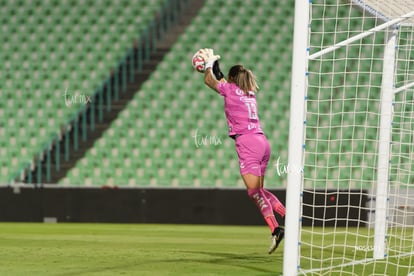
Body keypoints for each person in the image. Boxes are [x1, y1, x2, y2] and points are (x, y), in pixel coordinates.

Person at [198, 49, 286, 254]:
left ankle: (276, 229)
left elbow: (210, 81)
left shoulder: (229, 90)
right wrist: (215, 64)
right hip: (262, 142)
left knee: (254, 192)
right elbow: (220, 79)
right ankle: (287, 215)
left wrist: (208, 64)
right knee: (260, 191)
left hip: (247, 143)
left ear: (231, 80)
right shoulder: (249, 92)